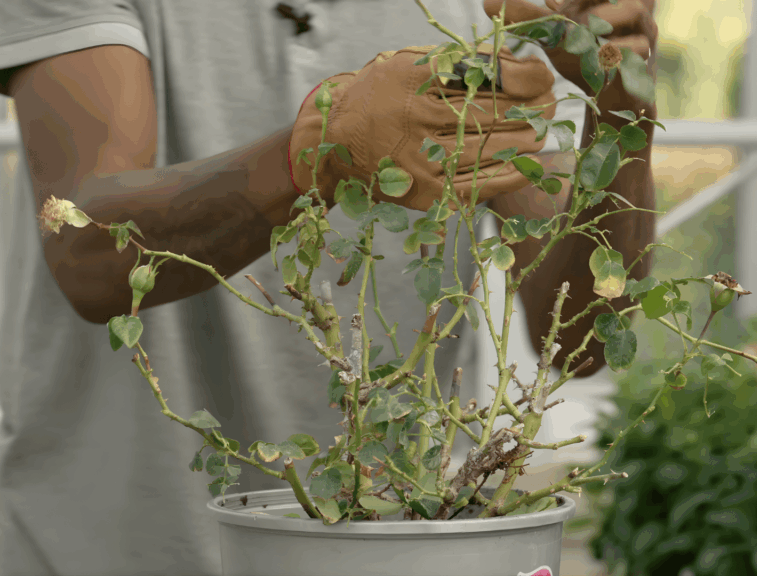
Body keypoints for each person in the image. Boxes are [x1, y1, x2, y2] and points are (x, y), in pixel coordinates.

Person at [0, 0, 657, 573]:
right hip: (107, 551)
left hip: (388, 551)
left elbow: (581, 337)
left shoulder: (491, 9)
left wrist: (622, 114)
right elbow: (90, 250)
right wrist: (316, 150)